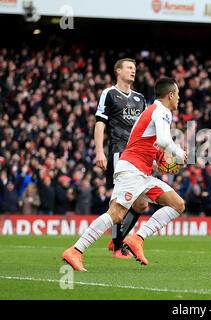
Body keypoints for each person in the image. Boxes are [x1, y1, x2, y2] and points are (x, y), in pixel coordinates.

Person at [62, 77, 187, 271]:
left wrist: (156, 162)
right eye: (178, 95)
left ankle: (137, 238)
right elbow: (163, 141)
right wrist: (179, 153)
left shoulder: (152, 111)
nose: (179, 99)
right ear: (170, 95)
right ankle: (76, 250)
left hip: (141, 172)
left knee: (177, 204)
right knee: (117, 214)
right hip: (132, 171)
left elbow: (143, 143)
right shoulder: (162, 111)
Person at [94, 58, 148, 258]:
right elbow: (100, 123)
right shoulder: (109, 94)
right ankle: (118, 248)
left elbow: (146, 130)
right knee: (121, 201)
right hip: (120, 152)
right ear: (118, 71)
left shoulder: (140, 98)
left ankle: (118, 237)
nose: (133, 71)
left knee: (141, 204)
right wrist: (100, 151)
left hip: (140, 155)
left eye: (134, 68)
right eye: (129, 67)